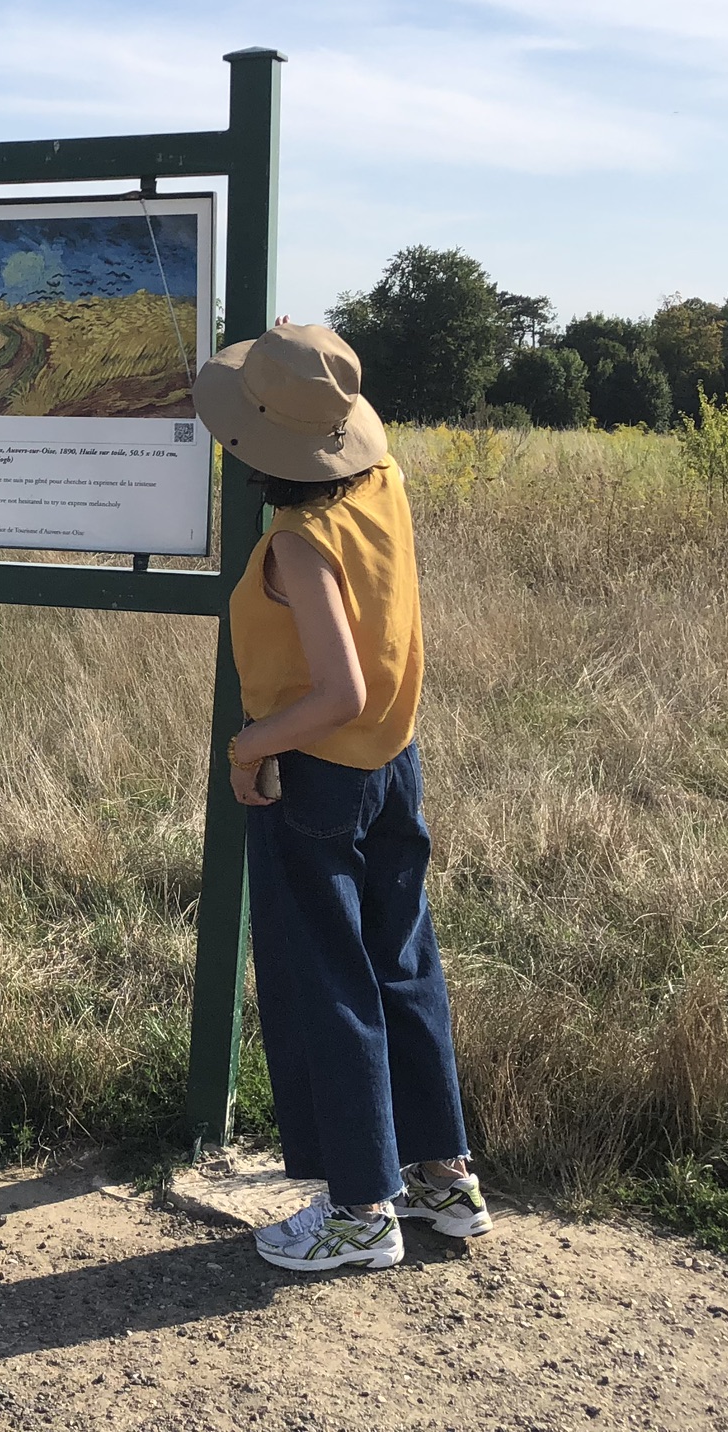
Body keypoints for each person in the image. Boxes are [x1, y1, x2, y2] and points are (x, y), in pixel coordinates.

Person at [190, 319, 490, 1273]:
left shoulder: (297, 544)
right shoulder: (382, 482)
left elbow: (336, 692)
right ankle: (446, 1178)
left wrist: (248, 749)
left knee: (326, 982)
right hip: (394, 765)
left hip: (316, 775)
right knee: (403, 963)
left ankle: (361, 1209)